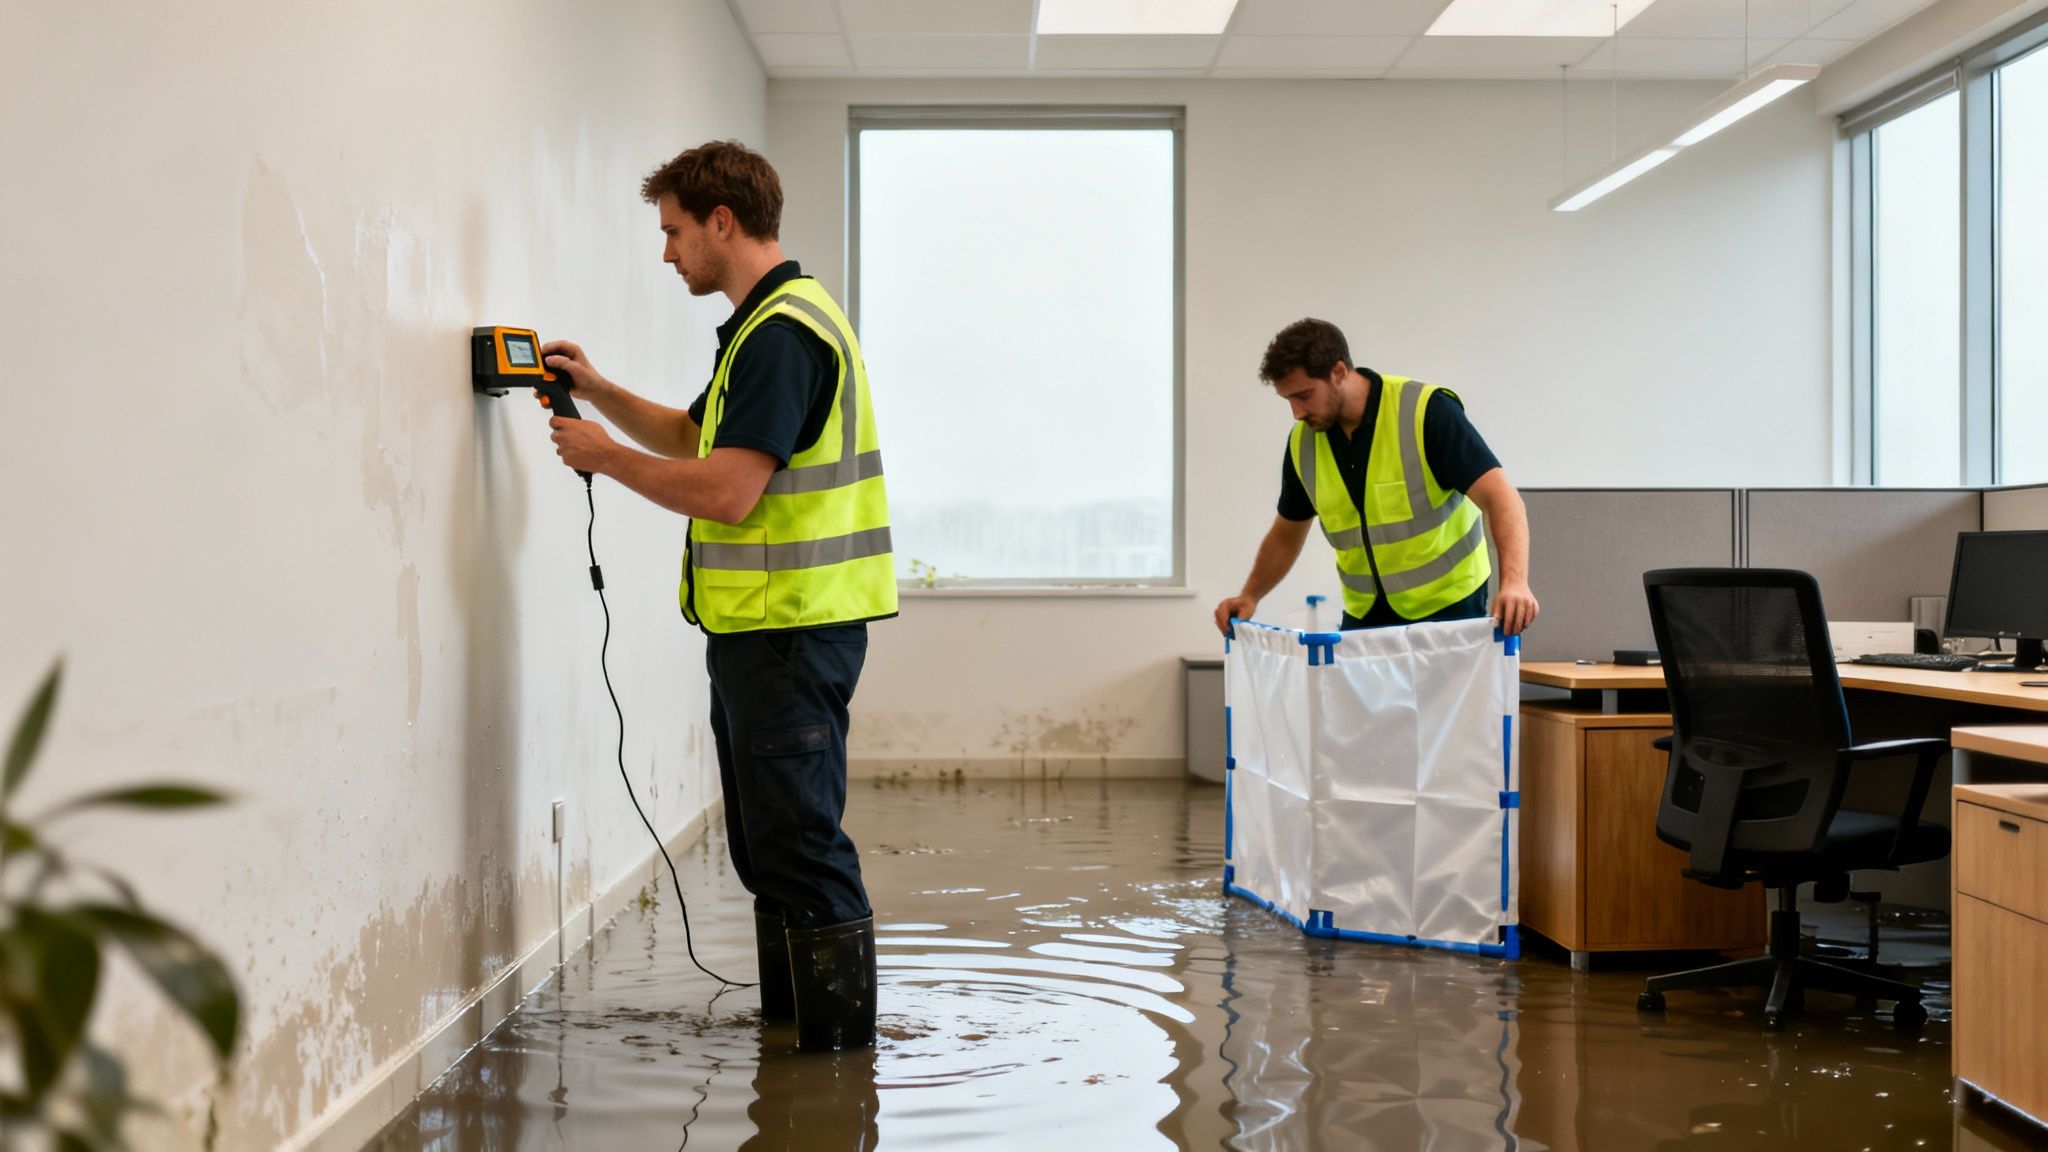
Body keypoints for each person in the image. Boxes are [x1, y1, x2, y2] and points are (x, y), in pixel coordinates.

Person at [540, 140, 893, 1053]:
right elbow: (699, 434)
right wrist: (598, 391)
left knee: (801, 850)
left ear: (721, 223)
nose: (667, 254)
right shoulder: (770, 323)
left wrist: (604, 459)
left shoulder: (781, 335)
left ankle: (838, 1072)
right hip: (767, 632)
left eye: (674, 233)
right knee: (768, 851)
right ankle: (799, 1051)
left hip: (790, 632)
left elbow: (730, 489)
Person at [1214, 318, 1537, 638]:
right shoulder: (1304, 443)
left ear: (1338, 372)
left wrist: (1515, 582)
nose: (1296, 413)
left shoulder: (1426, 412)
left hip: (1449, 610)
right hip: (1366, 616)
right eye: (1288, 400)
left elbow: (1501, 498)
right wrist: (1250, 595)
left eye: (1304, 395)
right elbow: (1286, 534)